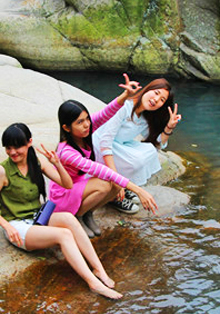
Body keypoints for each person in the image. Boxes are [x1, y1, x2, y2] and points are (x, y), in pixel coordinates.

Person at [0, 123, 122, 299]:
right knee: (63, 235)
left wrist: (57, 164)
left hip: (37, 218)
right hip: (17, 226)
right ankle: (92, 283)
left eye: (17, 147)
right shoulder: (1, 171)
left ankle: (98, 269)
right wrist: (7, 227)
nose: (12, 152)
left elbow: (67, 184)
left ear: (29, 143)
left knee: (69, 219)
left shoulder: (36, 162)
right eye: (8, 148)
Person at [50, 74, 158, 237]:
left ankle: (87, 213)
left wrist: (125, 96)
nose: (86, 124)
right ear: (66, 127)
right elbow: (100, 170)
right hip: (63, 194)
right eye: (80, 122)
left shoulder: (83, 132)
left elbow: (105, 113)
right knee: (106, 183)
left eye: (87, 119)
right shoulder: (66, 152)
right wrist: (138, 190)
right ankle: (76, 216)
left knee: (115, 184)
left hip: (78, 185)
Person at [93, 78, 182, 214]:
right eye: (156, 93)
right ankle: (114, 193)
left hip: (118, 146)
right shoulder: (125, 107)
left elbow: (158, 145)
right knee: (135, 161)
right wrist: (116, 180)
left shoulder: (145, 117)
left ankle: (123, 186)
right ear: (147, 89)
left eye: (162, 100)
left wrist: (169, 127)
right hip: (100, 146)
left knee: (150, 151)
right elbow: (105, 142)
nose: (156, 100)